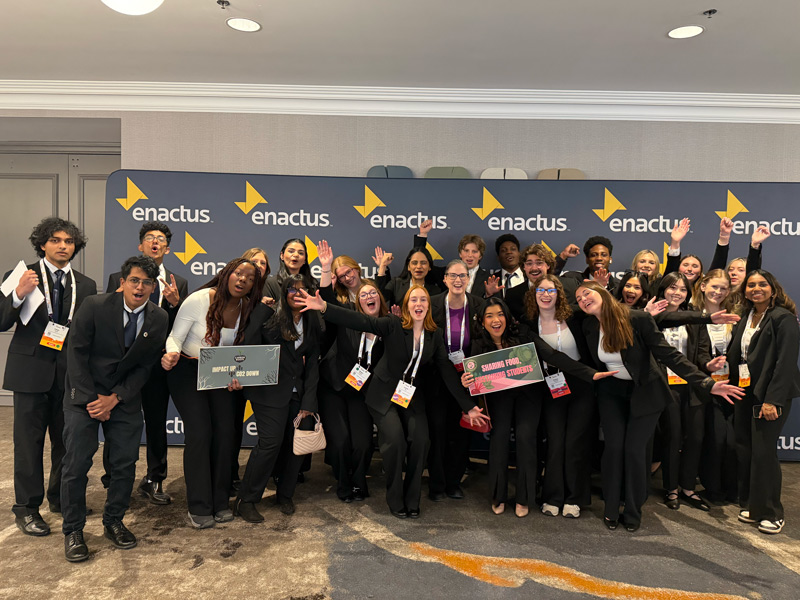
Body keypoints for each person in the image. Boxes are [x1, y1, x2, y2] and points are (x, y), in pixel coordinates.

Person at [297, 285, 490, 519]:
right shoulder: (392, 325)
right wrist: (325, 307)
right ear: (407, 306)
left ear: (428, 306)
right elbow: (359, 320)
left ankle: (412, 499)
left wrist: (468, 406)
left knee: (421, 440)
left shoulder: (435, 335)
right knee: (395, 440)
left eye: (423, 300)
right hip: (382, 394)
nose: (418, 304)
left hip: (410, 396)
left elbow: (447, 371)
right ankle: (395, 499)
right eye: (413, 300)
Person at [575, 281, 744, 532]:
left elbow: (669, 355)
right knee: (613, 449)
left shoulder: (637, 319)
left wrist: (707, 383)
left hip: (646, 392)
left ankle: (632, 511)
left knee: (634, 451)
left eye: (587, 293)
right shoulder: (589, 326)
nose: (583, 299)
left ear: (602, 293)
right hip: (611, 392)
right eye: (578, 298)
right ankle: (611, 508)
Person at [461, 298, 614, 518]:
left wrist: (589, 373)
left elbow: (551, 355)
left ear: (507, 317)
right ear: (482, 321)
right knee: (499, 438)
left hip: (529, 395)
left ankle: (524, 497)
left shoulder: (523, 334)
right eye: (489, 316)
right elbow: (473, 379)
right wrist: (467, 382)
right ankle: (498, 495)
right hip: (498, 398)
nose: (496, 320)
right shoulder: (478, 344)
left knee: (525, 438)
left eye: (500, 314)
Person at [60, 256, 169, 562]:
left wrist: (116, 398)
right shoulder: (94, 306)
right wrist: (92, 399)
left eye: (147, 282)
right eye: (134, 280)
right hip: (84, 396)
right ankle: (73, 530)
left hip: (124, 399)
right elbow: (76, 353)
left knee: (124, 464)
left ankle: (114, 521)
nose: (140, 287)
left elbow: (145, 365)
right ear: (122, 282)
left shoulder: (158, 317)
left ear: (153, 286)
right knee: (77, 464)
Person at [0, 217, 96, 536]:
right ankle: (27, 509)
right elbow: (1, 321)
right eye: (55, 240)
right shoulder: (21, 275)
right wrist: (17, 294)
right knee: (28, 445)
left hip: (69, 376)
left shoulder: (86, 284)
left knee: (66, 444)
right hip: (29, 372)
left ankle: (60, 498)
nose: (63, 246)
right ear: (43, 244)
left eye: (69, 242)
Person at [161, 258, 265, 528]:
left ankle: (220, 502)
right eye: (238, 273)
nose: (243, 279)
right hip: (186, 370)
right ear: (227, 274)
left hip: (220, 373)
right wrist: (171, 353)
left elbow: (242, 351)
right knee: (200, 432)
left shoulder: (247, 308)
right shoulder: (198, 299)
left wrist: (239, 377)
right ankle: (199, 505)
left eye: (250, 278)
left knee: (226, 434)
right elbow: (175, 336)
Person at [102, 221, 189, 505]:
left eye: (161, 239)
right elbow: (109, 322)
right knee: (117, 421)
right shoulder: (120, 277)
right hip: (124, 365)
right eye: (150, 238)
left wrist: (175, 304)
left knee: (155, 422)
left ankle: (155, 479)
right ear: (141, 245)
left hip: (158, 365)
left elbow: (181, 330)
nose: (155, 242)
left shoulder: (179, 282)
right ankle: (113, 477)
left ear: (167, 247)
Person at [234, 273, 322, 522]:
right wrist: (261, 311)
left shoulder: (313, 322)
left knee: (296, 449)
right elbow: (249, 344)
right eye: (292, 290)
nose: (297, 294)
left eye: (302, 290)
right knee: (270, 444)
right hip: (268, 394)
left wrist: (309, 402)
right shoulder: (272, 320)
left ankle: (285, 495)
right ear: (284, 293)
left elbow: (313, 365)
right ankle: (247, 499)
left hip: (299, 395)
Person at [651, 272, 739, 512]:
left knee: (696, 438)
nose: (676, 293)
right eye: (672, 288)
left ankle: (688, 487)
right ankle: (671, 489)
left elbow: (701, 351)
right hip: (665, 387)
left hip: (692, 387)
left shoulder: (693, 316)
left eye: (682, 289)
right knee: (673, 438)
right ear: (662, 290)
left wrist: (707, 365)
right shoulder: (651, 314)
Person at [727, 270, 800, 534]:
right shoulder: (747, 316)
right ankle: (753, 505)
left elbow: (786, 363)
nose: (756, 288)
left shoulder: (784, 318)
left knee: (764, 451)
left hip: (769, 395)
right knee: (746, 447)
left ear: (773, 289)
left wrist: (773, 400)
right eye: (751, 285)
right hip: (745, 391)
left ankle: (772, 512)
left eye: (762, 284)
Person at [524, 274, 598, 519]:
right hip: (551, 387)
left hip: (582, 386)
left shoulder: (575, 317)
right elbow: (549, 356)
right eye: (541, 291)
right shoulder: (528, 325)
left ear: (559, 294)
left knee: (575, 442)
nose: (546, 295)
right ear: (534, 296)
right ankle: (552, 497)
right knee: (555, 442)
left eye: (551, 290)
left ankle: (574, 498)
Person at [425, 259, 484, 502]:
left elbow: (483, 340)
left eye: (463, 276)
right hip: (437, 378)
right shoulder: (433, 303)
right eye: (453, 276)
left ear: (468, 279)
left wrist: (475, 368)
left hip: (467, 378)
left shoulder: (479, 305)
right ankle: (437, 484)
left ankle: (453, 482)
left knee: (460, 434)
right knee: (437, 431)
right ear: (445, 279)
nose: (458, 280)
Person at [691, 269, 738, 504]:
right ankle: (713, 490)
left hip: (730, 386)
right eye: (714, 286)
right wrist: (707, 365)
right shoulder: (692, 314)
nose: (718, 292)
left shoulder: (734, 315)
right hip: (701, 385)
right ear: (702, 286)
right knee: (711, 439)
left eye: (723, 288)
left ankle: (731, 489)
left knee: (728, 440)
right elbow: (695, 352)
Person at [413, 220, 490, 295]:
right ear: (460, 253)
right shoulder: (444, 273)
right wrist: (423, 234)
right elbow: (419, 259)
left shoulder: (488, 279)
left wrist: (489, 295)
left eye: (474, 251)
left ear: (480, 255)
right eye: (466, 251)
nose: (470, 255)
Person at [376, 246, 445, 307]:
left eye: (423, 263)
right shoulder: (396, 284)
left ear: (429, 267)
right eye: (414, 263)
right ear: (408, 267)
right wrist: (382, 266)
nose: (419, 266)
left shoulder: (436, 291)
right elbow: (381, 298)